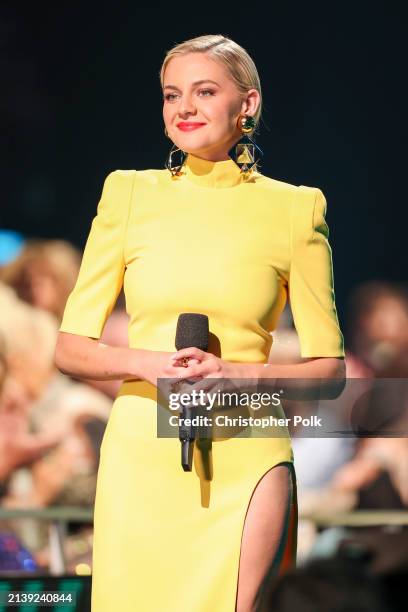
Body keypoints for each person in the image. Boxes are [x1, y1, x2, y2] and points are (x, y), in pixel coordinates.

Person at [55, 34, 345, 612]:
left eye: (204, 91)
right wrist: (153, 365)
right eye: (171, 95)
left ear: (248, 105)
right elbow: (69, 349)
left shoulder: (296, 208)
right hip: (142, 451)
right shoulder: (128, 195)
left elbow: (329, 371)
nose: (183, 107)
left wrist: (235, 374)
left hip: (247, 445)